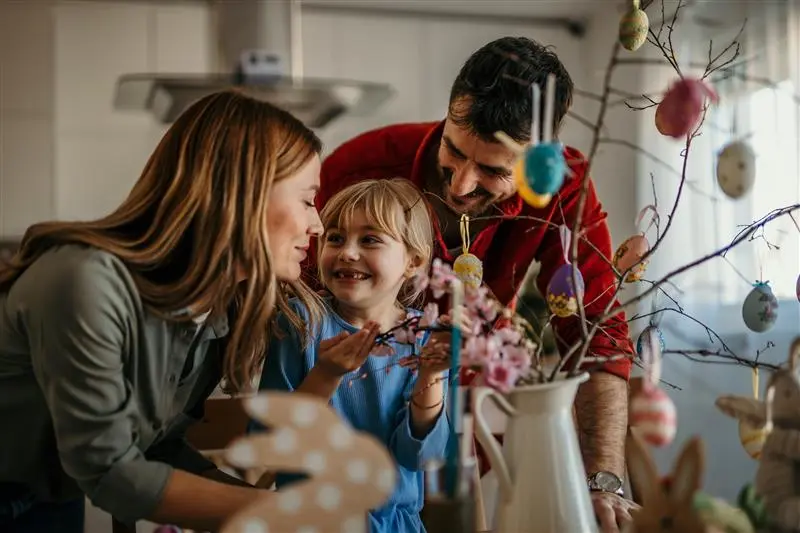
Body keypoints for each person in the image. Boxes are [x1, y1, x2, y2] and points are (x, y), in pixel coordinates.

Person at [0, 90, 378, 533]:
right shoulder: (83, 282)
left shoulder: (217, 309)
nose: (317, 224)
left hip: (50, 499)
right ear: (244, 195)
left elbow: (157, 449)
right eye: (308, 199)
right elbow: (113, 474)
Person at [306, 37, 638, 532]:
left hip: (460, 431)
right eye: (454, 151)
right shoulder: (363, 169)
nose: (460, 184)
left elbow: (598, 338)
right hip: (346, 434)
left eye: (491, 170)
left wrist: (602, 480)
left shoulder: (564, 189)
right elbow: (299, 318)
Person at [255, 179, 450, 533]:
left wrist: (430, 375)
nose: (347, 252)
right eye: (335, 237)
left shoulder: (426, 338)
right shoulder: (300, 324)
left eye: (370, 239)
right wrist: (324, 373)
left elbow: (421, 456)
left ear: (413, 261)